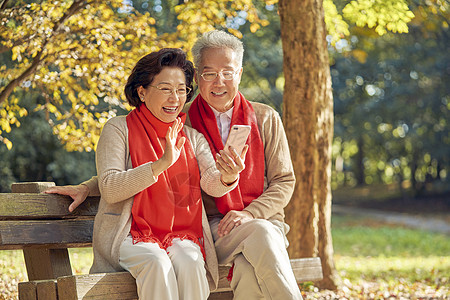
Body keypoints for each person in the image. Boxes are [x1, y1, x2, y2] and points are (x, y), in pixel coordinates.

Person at [46, 31, 301, 300]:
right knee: (239, 246)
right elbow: (135, 167)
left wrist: (235, 188)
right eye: (208, 73)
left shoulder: (263, 118)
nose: (219, 81)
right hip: (212, 228)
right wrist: (89, 186)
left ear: (239, 73)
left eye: (227, 72)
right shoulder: (183, 117)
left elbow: (280, 181)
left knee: (250, 266)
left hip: (252, 223)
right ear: (199, 76)